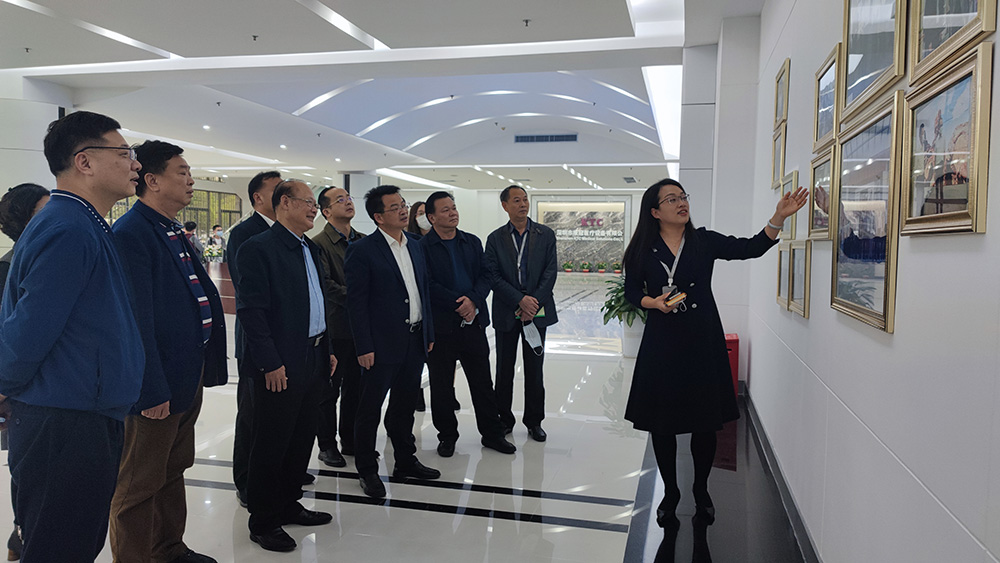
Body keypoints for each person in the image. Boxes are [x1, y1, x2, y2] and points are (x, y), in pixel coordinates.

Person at [0, 110, 145, 562]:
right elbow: (29, 327)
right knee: (60, 547)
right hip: (64, 420)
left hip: (81, 410)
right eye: (124, 153)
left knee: (73, 542)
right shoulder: (67, 227)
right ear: (84, 161)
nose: (135, 164)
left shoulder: (82, 222)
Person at [622, 178, 807, 529]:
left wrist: (778, 217)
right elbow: (631, 290)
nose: (681, 203)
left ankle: (701, 489)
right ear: (655, 211)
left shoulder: (703, 241)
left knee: (704, 421)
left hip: (701, 338)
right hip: (662, 341)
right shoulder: (643, 249)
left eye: (683, 196)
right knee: (662, 423)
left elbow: (751, 247)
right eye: (671, 199)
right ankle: (671, 492)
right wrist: (652, 303)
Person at [109, 140, 228, 563]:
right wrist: (151, 388)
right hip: (157, 383)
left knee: (173, 467)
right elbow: (136, 321)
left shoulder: (171, 228)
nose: (191, 179)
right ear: (153, 180)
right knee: (138, 482)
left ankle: (168, 549)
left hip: (184, 373)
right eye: (182, 172)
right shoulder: (133, 233)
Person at [235, 180, 337, 552]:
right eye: (307, 202)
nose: (314, 209)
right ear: (284, 203)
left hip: (313, 355)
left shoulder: (309, 246)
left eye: (315, 204)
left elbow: (317, 301)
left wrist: (326, 349)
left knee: (300, 437)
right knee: (271, 442)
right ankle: (263, 521)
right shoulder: (258, 248)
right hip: (279, 363)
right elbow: (252, 312)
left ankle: (289, 503)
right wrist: (270, 363)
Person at [345, 185, 440, 498]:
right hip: (380, 345)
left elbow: (423, 291)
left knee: (404, 406)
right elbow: (356, 303)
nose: (403, 210)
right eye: (395, 207)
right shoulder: (362, 250)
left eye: (403, 204)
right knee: (369, 409)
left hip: (413, 339)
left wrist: (428, 333)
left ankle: (405, 460)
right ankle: (367, 470)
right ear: (378, 217)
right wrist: (364, 346)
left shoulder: (416, 245)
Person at [419, 191, 515, 457]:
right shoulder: (423, 248)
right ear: (431, 217)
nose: (453, 213)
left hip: (473, 324)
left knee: (482, 383)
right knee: (441, 386)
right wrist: (458, 303)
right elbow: (427, 284)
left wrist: (472, 300)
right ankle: (447, 436)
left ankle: (492, 434)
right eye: (445, 210)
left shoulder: (471, 241)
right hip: (442, 327)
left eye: (454, 208)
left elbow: (486, 275)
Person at [226, 170, 284, 506]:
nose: (283, 194)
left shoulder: (286, 232)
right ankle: (246, 479)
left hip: (286, 339)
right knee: (251, 414)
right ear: (258, 198)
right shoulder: (244, 234)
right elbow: (247, 292)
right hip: (256, 339)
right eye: (277, 190)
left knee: (278, 415)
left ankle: (275, 473)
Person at [484, 185, 558, 442]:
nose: (523, 204)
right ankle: (504, 419)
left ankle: (534, 421)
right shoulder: (495, 238)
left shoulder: (545, 234)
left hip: (537, 310)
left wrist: (532, 302)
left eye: (525, 199)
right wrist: (519, 300)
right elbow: (492, 275)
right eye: (516, 200)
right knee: (504, 369)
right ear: (505, 206)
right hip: (508, 310)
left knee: (535, 369)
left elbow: (551, 272)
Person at [0, 183, 49, 561]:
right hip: (21, 389)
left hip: (44, 388)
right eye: (42, 211)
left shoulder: (43, 257)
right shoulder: (9, 267)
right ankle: (24, 532)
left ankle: (23, 535)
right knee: (27, 468)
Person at [313, 186, 366, 468]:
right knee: (329, 390)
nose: (347, 202)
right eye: (340, 200)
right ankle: (327, 445)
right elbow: (326, 285)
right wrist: (360, 297)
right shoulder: (318, 244)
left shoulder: (363, 241)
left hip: (361, 328)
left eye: (349, 198)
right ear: (326, 211)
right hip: (335, 328)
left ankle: (351, 440)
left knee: (356, 388)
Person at [405, 200, 431, 411]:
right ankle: (416, 395)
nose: (424, 217)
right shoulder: (410, 242)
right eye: (420, 213)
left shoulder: (435, 240)